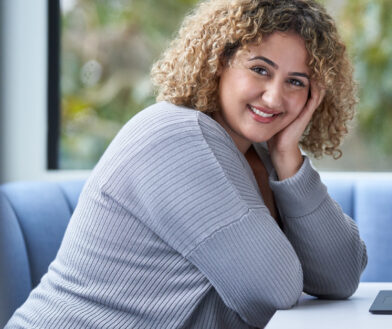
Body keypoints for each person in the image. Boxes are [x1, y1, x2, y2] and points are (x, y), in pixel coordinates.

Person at [5, 0, 367, 328]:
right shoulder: (179, 136)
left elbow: (341, 276)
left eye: (295, 82)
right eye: (260, 69)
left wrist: (289, 157)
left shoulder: (260, 153)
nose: (274, 96)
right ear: (219, 60)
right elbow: (274, 289)